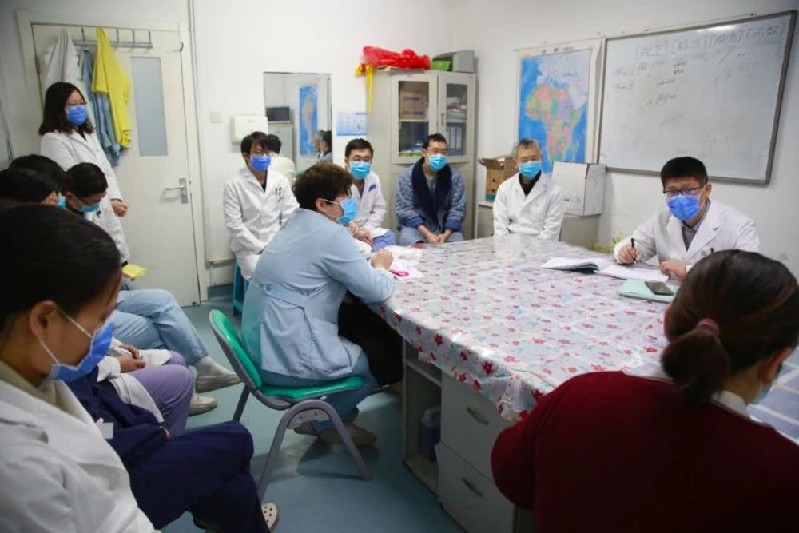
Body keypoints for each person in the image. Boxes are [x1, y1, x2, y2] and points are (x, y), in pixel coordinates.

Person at [491, 250, 799, 531]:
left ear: (666, 321)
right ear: (777, 361)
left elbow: (511, 476)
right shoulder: (782, 475)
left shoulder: (581, 396)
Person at [0, 161, 199, 423]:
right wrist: (115, 364)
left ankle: (197, 372)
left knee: (162, 306)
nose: (57, 211)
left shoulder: (46, 357)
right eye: (51, 204)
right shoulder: (43, 353)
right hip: (99, 406)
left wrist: (113, 350)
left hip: (96, 397)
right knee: (157, 337)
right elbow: (100, 428)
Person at [0, 204, 155, 531]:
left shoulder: (37, 369)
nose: (104, 331)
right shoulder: (14, 465)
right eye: (101, 318)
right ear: (44, 319)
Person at [63, 162, 239, 412]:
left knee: (163, 300)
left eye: (101, 200)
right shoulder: (60, 228)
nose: (98, 206)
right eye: (93, 201)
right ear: (70, 196)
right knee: (157, 329)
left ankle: (204, 365)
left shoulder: (84, 213)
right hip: (87, 302)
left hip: (104, 288)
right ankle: (180, 393)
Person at [242, 163, 394, 447]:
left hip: (261, 346)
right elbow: (375, 289)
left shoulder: (296, 222)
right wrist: (381, 267)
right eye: (344, 198)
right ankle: (324, 420)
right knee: (384, 357)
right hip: (285, 360)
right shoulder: (330, 234)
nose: (348, 204)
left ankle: (333, 416)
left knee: (359, 323)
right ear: (322, 204)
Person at [68, 368, 278, 532]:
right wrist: (152, 434)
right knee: (237, 437)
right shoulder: (63, 380)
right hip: (112, 482)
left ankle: (231, 518)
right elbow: (97, 433)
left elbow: (103, 416)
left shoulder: (68, 371)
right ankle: (234, 519)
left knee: (236, 488)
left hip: (126, 449)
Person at [614, 156, 759, 280]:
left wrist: (689, 272)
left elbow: (748, 273)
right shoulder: (662, 218)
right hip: (668, 296)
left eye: (689, 190)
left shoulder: (739, 225)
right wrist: (625, 252)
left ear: (707, 190)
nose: (680, 197)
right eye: (672, 191)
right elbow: (634, 243)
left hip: (714, 299)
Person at [39, 81, 128, 217]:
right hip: (80, 208)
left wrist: (114, 198)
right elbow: (72, 181)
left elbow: (106, 171)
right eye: (72, 104)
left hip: (100, 204)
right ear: (57, 109)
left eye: (81, 103)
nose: (79, 108)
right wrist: (107, 204)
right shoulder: (53, 139)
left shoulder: (89, 134)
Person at [224, 131, 298, 280]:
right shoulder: (234, 184)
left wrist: (282, 242)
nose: (264, 156)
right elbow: (234, 225)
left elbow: (291, 213)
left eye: (267, 152)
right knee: (262, 274)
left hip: (277, 242)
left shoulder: (280, 180)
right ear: (246, 156)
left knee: (294, 270)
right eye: (259, 152)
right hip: (249, 248)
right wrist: (260, 247)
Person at [396, 133, 466, 245]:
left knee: (457, 245)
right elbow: (405, 209)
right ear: (424, 153)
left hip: (445, 227)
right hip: (417, 227)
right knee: (409, 242)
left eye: (443, 152)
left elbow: (458, 208)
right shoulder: (407, 176)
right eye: (435, 151)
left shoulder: (454, 177)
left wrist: (446, 234)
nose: (440, 156)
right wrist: (427, 234)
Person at [493, 139, 564, 239]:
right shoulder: (505, 188)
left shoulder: (554, 190)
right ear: (515, 162)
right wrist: (508, 247)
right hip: (510, 244)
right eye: (524, 160)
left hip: (541, 246)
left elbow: (551, 232)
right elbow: (500, 228)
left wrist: (531, 248)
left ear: (541, 158)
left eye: (534, 159)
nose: (530, 163)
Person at [343, 137, 397, 252]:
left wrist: (366, 230)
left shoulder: (373, 178)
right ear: (347, 161)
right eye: (357, 159)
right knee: (349, 245)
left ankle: (371, 254)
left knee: (389, 236)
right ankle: (371, 254)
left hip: (367, 228)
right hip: (345, 230)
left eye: (366, 159)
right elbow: (336, 214)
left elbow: (379, 208)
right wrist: (356, 231)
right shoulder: (337, 181)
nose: (362, 163)